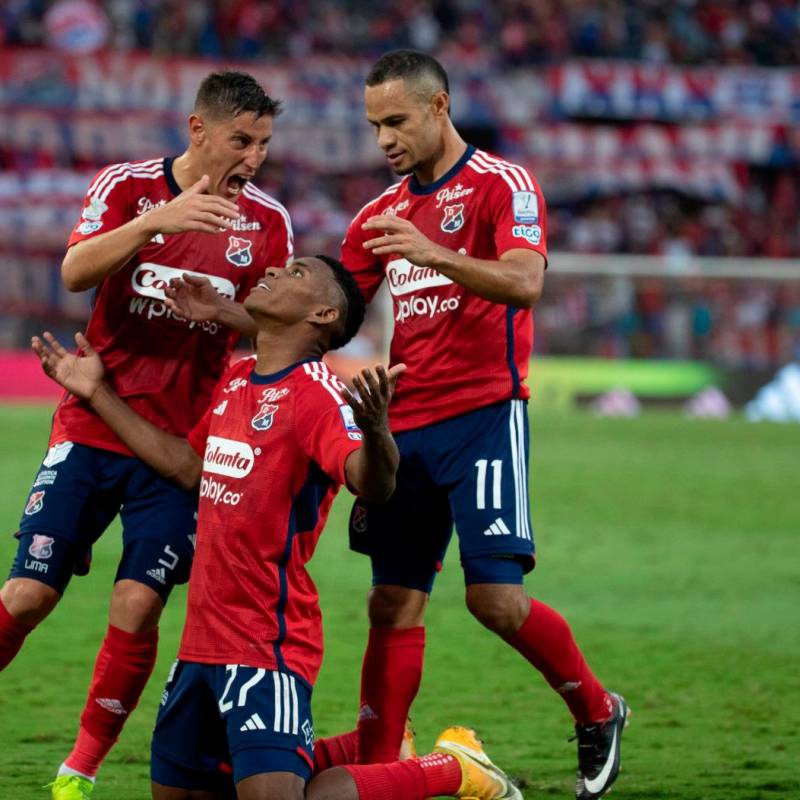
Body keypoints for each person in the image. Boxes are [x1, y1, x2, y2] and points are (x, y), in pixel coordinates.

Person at [32, 255, 523, 800]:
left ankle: (451, 770)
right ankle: (375, 747)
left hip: (267, 643)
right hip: (199, 647)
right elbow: (187, 467)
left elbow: (373, 483)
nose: (275, 272)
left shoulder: (317, 394)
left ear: (321, 313)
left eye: (297, 273)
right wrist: (95, 394)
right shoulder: (238, 378)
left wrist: (378, 431)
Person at [340, 50, 629, 800]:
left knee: (492, 600)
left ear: (439, 108)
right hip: (401, 429)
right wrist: (236, 318)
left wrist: (431, 252)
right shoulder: (378, 213)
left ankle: (597, 710)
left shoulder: (504, 184)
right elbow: (331, 312)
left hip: (483, 416)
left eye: (396, 121)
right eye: (375, 126)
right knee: (391, 601)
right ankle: (378, 769)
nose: (385, 141)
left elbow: (524, 282)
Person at [0, 70, 292, 800]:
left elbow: (280, 321)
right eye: (241, 140)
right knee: (28, 597)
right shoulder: (128, 186)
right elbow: (73, 272)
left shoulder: (268, 223)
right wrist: (155, 224)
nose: (254, 157)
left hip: (179, 447)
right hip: (91, 421)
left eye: (262, 143)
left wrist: (224, 316)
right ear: (198, 130)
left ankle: (82, 768)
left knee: (136, 602)